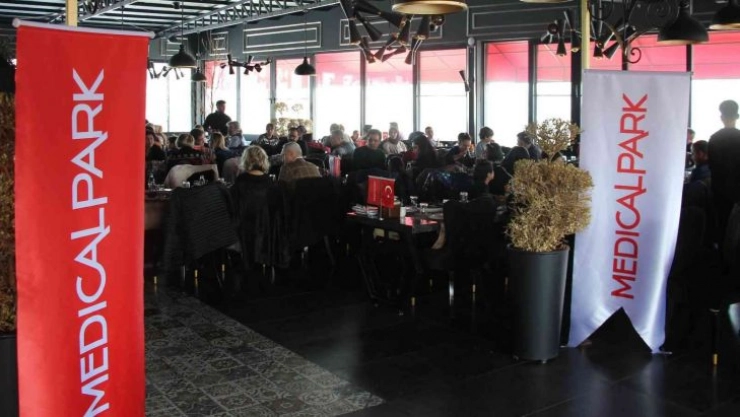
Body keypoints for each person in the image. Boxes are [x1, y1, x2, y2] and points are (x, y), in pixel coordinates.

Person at [708, 99, 740, 250]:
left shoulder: (714, 139)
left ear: (721, 117)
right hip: (738, 191)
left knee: (722, 225)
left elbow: (712, 166)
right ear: (737, 116)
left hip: (719, 190)